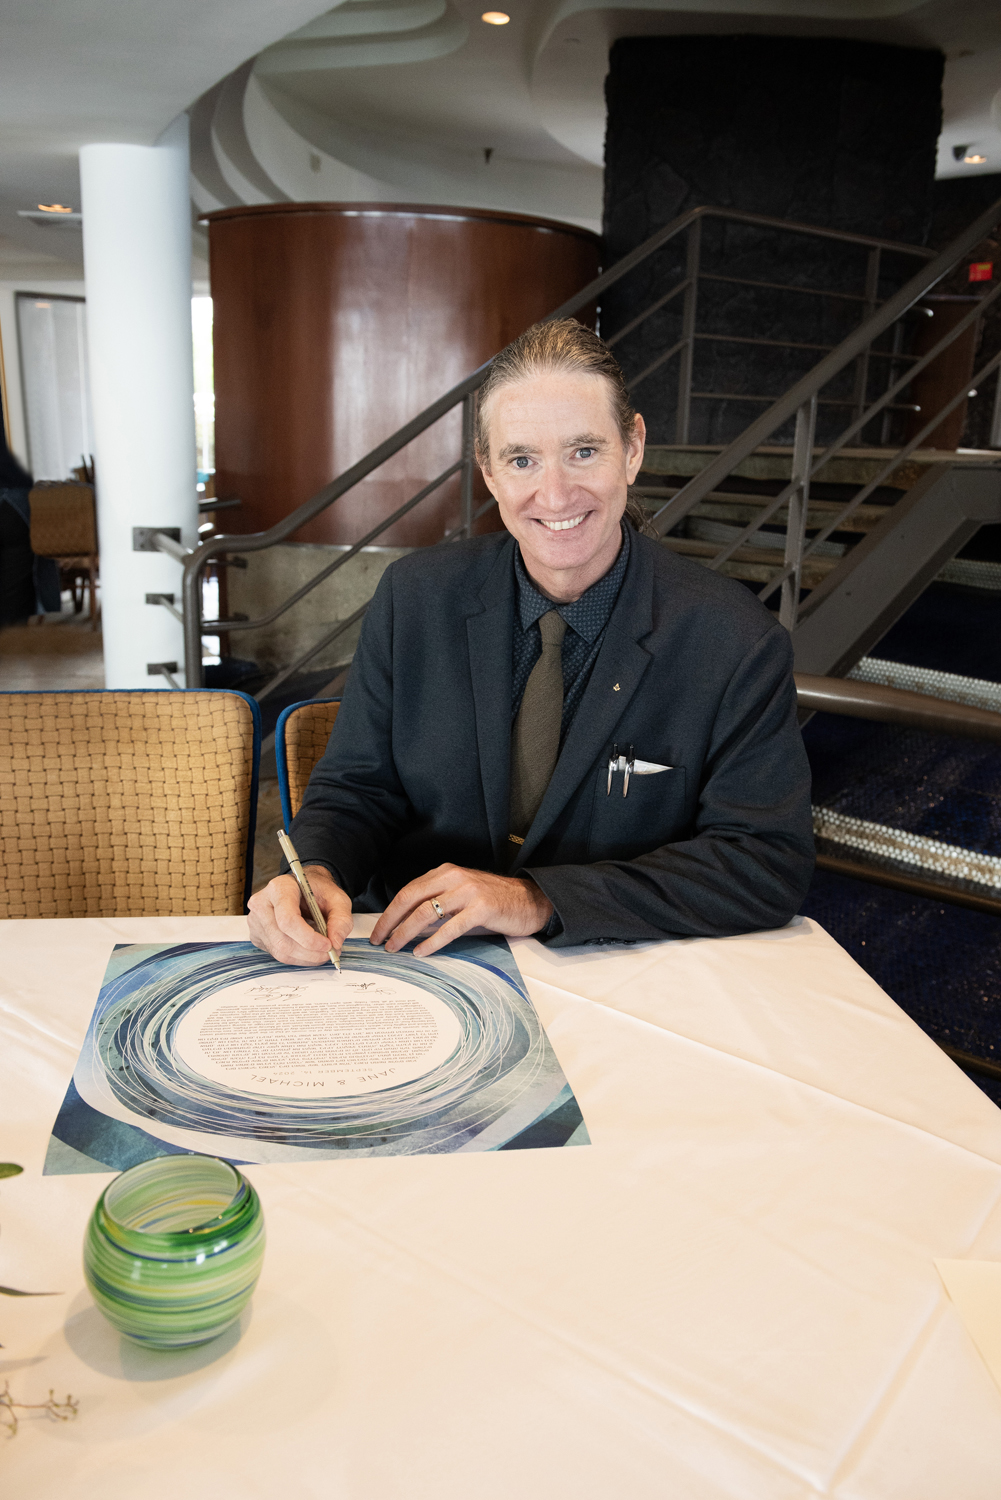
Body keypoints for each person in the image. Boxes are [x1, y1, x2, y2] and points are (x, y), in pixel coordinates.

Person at [248, 318, 814, 965]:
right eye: (522, 459)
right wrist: (316, 871)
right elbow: (358, 788)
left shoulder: (733, 637)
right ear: (488, 471)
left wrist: (537, 898)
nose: (554, 493)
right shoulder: (415, 598)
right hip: (412, 964)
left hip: (620, 971)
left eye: (583, 451)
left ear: (631, 448)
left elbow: (764, 862)